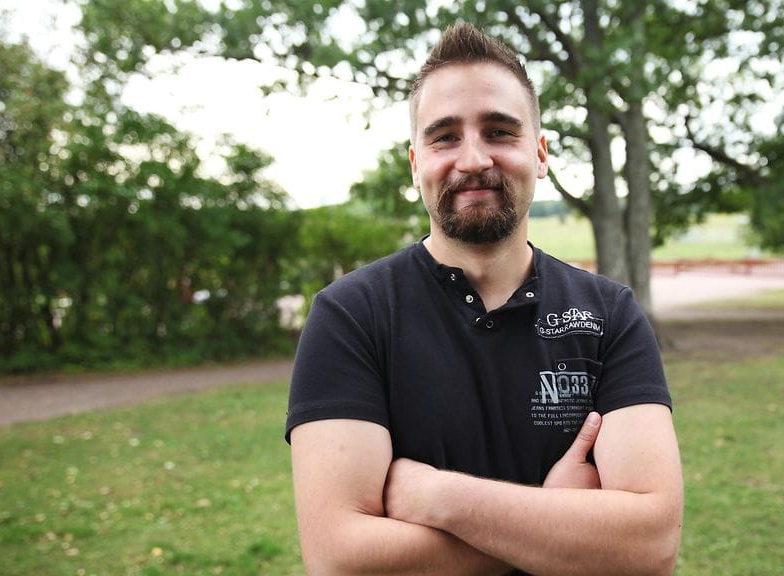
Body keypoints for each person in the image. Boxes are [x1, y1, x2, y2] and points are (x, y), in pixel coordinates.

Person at [285, 23, 683, 575]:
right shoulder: (352, 315)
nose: (473, 159)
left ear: (539, 154)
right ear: (416, 164)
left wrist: (438, 497)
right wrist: (557, 523)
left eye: (499, 131)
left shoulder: (609, 314)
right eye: (445, 136)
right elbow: (341, 560)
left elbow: (650, 546)